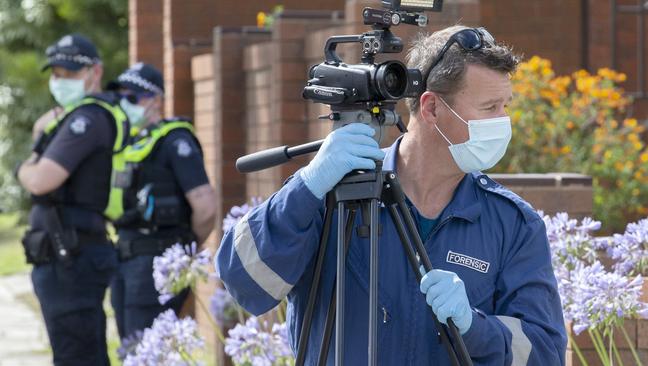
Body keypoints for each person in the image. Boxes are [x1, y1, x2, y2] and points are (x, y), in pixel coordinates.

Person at [216, 25, 567, 365]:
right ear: (431, 108)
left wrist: (476, 328)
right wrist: (306, 187)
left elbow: (546, 354)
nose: (504, 121)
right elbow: (243, 283)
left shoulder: (513, 224)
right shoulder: (334, 194)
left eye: (505, 105)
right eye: (490, 108)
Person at [16, 34, 129, 365]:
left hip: (71, 257)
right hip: (68, 253)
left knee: (76, 355)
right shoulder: (77, 116)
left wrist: (23, 167)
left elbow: (40, 180)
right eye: (55, 74)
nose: (59, 81)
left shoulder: (88, 118)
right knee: (80, 351)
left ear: (94, 72)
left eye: (68, 73)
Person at [108, 63, 217, 341]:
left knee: (147, 349)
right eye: (120, 96)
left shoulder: (175, 141)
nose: (124, 103)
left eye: (132, 97)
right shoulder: (131, 143)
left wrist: (183, 251)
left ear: (156, 100)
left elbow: (205, 208)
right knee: (131, 348)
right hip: (126, 259)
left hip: (156, 261)